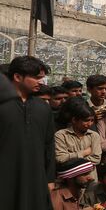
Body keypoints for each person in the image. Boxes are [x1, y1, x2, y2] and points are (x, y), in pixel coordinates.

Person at [0, 57, 55, 210]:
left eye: (42, 78)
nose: (41, 82)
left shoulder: (43, 108)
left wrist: (50, 179)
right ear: (17, 77)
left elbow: (49, 145)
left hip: (36, 179)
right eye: (36, 78)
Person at [55, 97, 102, 180]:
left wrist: (71, 159)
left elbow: (96, 159)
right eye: (86, 120)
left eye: (92, 120)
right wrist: (83, 153)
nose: (89, 124)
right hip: (69, 182)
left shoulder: (94, 136)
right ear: (74, 120)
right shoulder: (61, 135)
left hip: (91, 179)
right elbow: (60, 158)